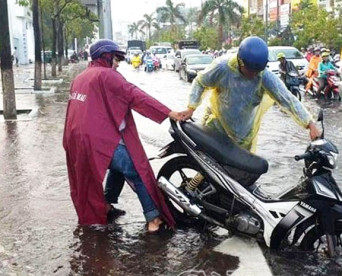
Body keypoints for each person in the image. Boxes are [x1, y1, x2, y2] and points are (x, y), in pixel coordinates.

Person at [63, 39, 186, 233]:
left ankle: (106, 205)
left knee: (115, 168)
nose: (118, 63)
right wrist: (169, 113)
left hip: (77, 142)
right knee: (137, 170)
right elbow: (135, 96)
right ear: (106, 57)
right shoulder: (108, 75)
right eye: (116, 59)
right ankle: (154, 219)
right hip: (99, 143)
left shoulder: (80, 78)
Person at [181, 36, 320, 153]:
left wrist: (310, 124)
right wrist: (191, 108)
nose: (254, 74)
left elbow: (287, 99)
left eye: (257, 70)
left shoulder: (264, 76)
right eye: (250, 70)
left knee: (237, 178)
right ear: (240, 61)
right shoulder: (222, 68)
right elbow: (200, 82)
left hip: (243, 136)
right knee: (209, 169)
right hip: (215, 127)